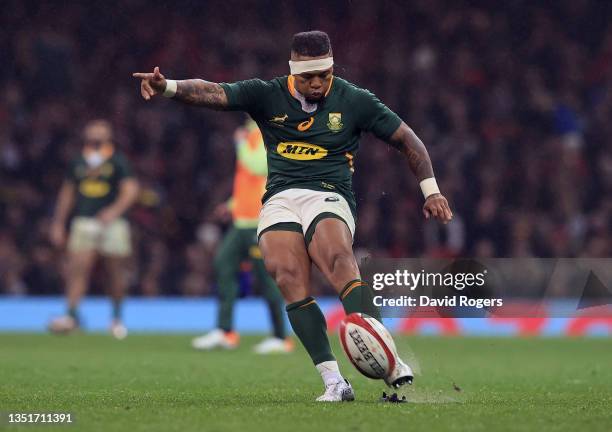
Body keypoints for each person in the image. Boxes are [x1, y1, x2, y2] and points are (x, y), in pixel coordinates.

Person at [133, 30, 452, 401]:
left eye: (324, 74)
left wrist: (432, 191)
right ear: (292, 70)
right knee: (284, 274)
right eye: (307, 77)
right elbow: (215, 92)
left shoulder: (355, 100)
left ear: (332, 67)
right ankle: (334, 381)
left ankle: (391, 362)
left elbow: (408, 140)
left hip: (329, 195)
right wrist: (168, 85)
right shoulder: (267, 94)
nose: (316, 83)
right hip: (281, 197)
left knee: (337, 257)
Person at [192, 119, 293, 354]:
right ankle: (224, 331)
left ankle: (280, 337)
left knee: (267, 278)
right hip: (242, 221)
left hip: (260, 221)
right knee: (223, 263)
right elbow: (250, 182)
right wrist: (232, 204)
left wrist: (240, 144)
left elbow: (260, 167)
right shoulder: (251, 134)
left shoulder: (266, 133)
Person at [48, 120, 139, 339]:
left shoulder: (118, 160)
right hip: (84, 221)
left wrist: (114, 211)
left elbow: (131, 190)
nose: (96, 132)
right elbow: (67, 193)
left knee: (115, 272)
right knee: (77, 269)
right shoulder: (78, 161)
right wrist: (58, 223)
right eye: (93, 128)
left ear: (109, 135)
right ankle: (71, 316)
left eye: (101, 129)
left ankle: (116, 319)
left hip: (113, 224)